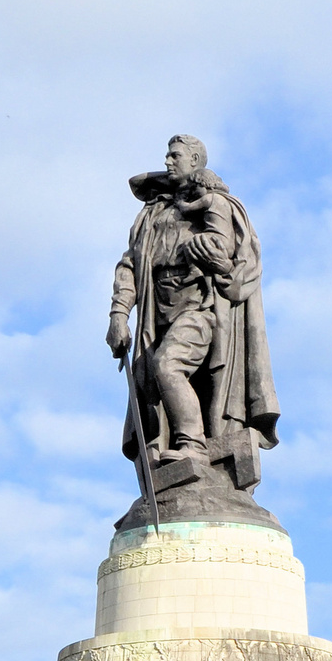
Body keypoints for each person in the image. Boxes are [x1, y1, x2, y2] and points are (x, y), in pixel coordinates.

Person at [107, 135, 279, 469]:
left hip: (200, 307)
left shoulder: (218, 204)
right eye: (167, 156)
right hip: (156, 315)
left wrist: (219, 262)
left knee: (169, 365)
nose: (168, 162)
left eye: (175, 156)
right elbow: (130, 264)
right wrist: (119, 314)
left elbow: (237, 261)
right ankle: (175, 454)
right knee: (155, 385)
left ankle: (193, 445)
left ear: (195, 160)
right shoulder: (152, 213)